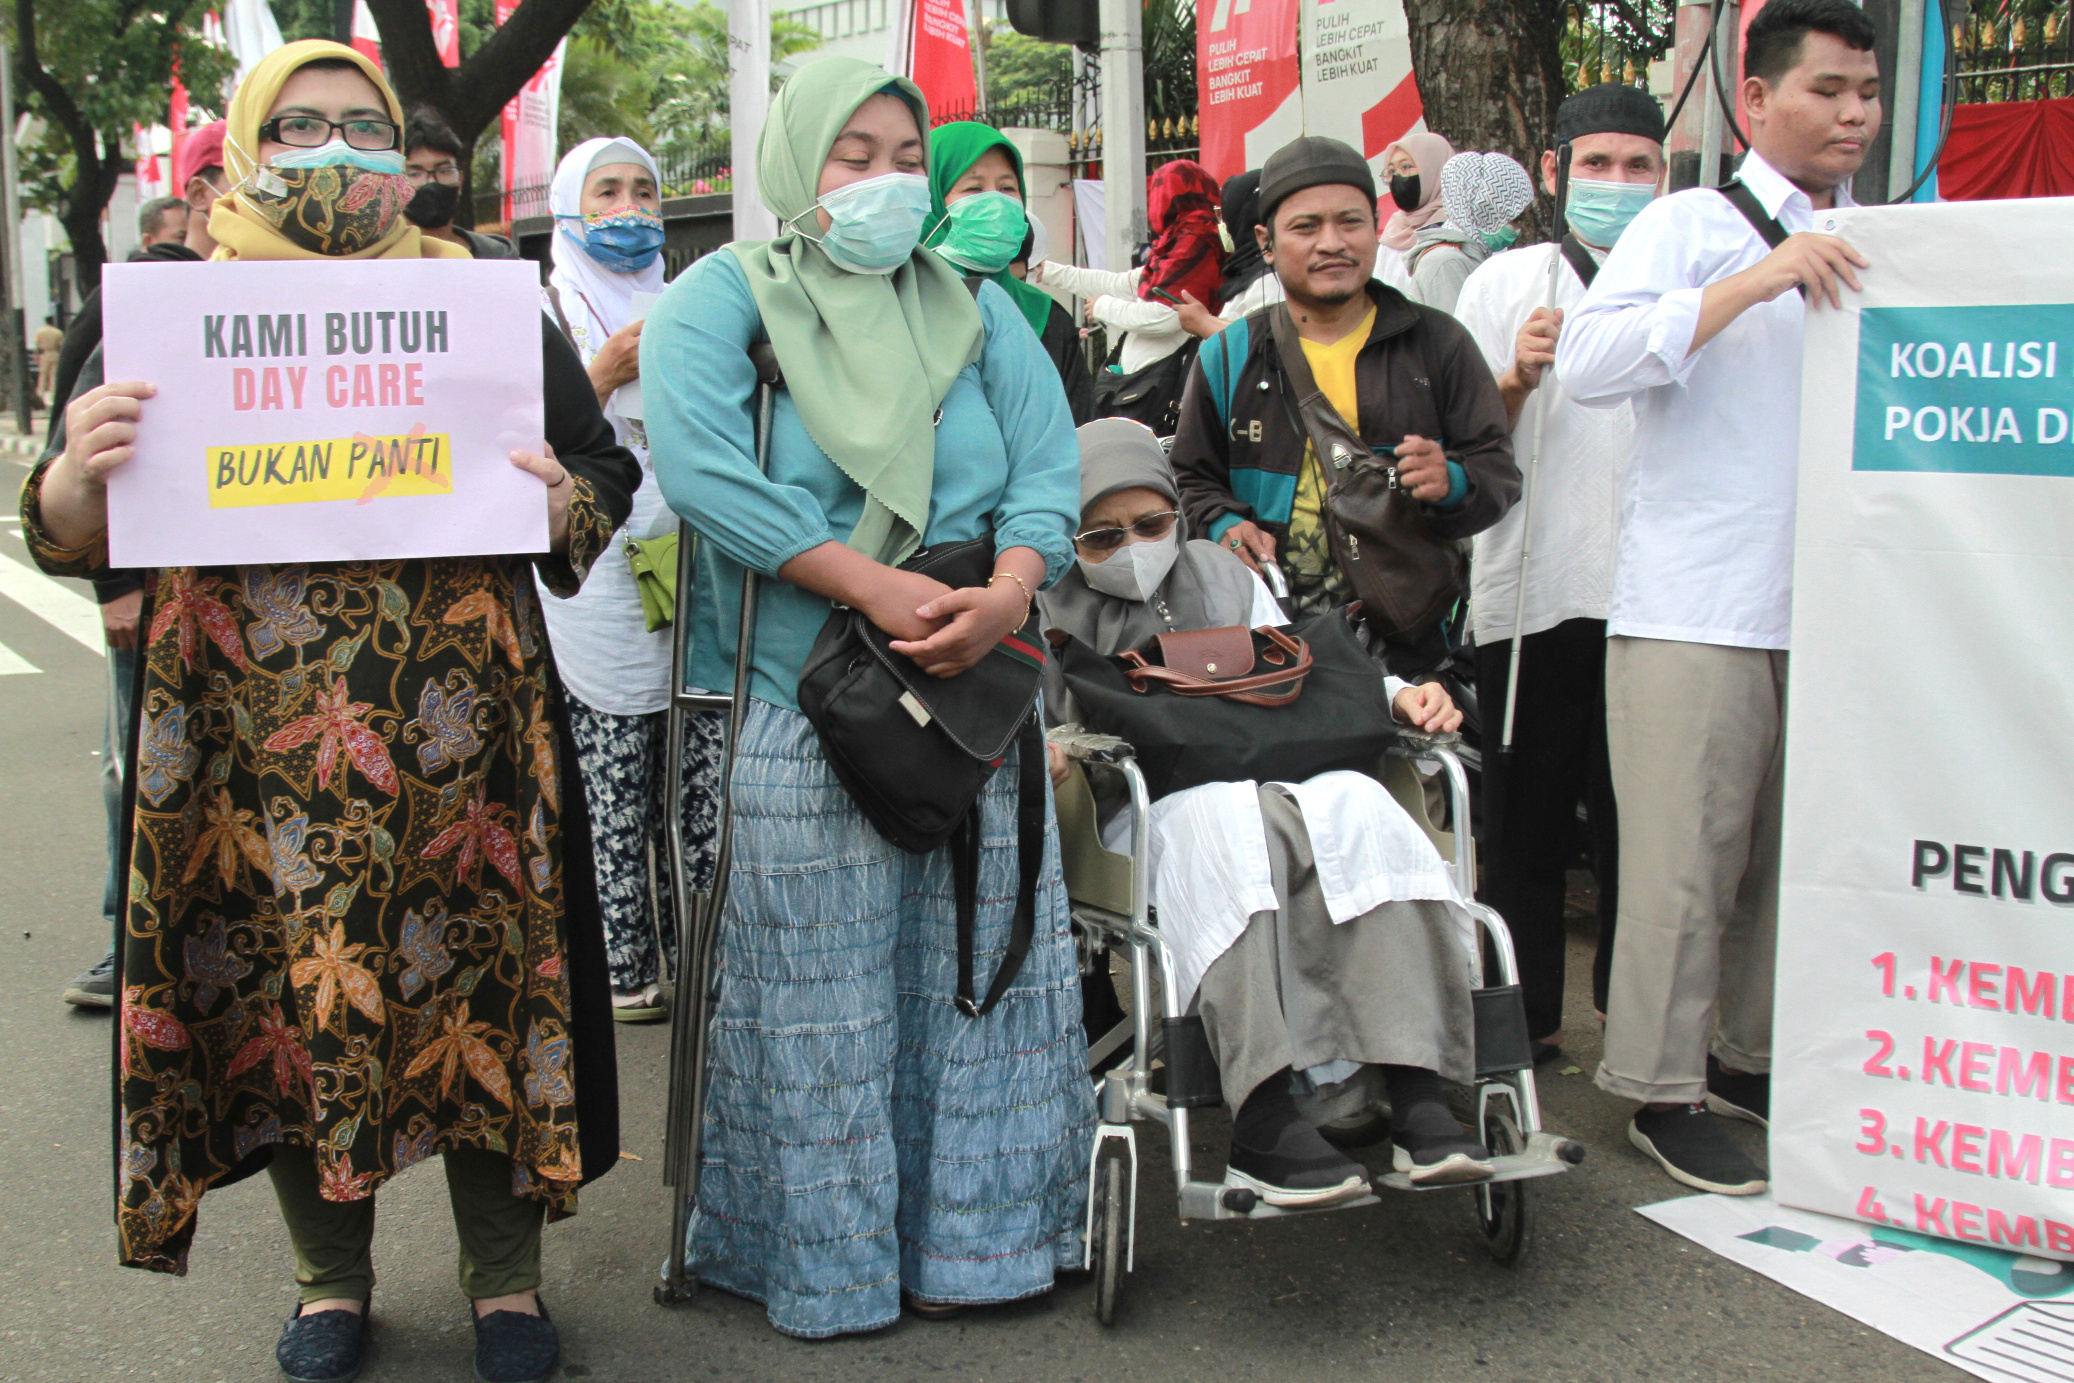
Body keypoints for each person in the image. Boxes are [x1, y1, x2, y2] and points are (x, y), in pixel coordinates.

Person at [22, 41, 639, 1383]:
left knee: (485, 985)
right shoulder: (163, 309)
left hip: (466, 736)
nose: (334, 151)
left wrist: (558, 503)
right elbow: (70, 525)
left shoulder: (476, 296)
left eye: (361, 126)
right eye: (297, 126)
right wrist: (76, 485)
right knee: (301, 998)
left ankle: (507, 1285)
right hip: (251, 750)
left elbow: (599, 468)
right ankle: (327, 1284)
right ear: (248, 144)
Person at [643, 56, 1090, 1339]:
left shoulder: (976, 308)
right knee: (817, 993)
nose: (889, 181)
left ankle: (979, 1249)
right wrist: (868, 589)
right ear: (795, 165)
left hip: (972, 693)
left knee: (973, 973)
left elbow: (1046, 468)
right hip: (805, 697)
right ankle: (827, 1266)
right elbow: (706, 475)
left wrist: (1009, 591)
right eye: (856, 155)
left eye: (907, 156)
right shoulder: (720, 301)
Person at [1559, 0, 1878, 1195]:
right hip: (1695, 605)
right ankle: (1658, 1084)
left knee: (1788, 858)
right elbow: (1591, 365)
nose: (1853, 113)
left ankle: (1742, 1056)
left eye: (1866, 92)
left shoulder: (1887, 237)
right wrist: (1754, 281)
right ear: (1755, 102)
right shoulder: (1691, 224)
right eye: (1827, 90)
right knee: (1687, 863)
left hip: (1832, 603)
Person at [1041, 418, 1494, 1200]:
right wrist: (1046, 745)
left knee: (1360, 807)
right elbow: (1036, 723)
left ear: (1177, 516)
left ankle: (1415, 1085)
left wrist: (1402, 694)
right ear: (1069, 538)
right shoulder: (1047, 601)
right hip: (1142, 801)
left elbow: (1299, 664)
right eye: (1102, 536)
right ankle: (1263, 1110)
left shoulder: (1221, 572)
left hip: (1276, 768)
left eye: (1151, 525)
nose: (1133, 547)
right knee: (1232, 828)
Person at [1452, 83, 1666, 1068]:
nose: (1617, 186)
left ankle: (1636, 1018)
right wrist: (1515, 379)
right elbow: (1454, 445)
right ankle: (1525, 1018)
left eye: (1638, 167)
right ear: (1553, 171)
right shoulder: (1505, 284)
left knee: (1639, 826)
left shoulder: (1687, 277)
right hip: (1533, 594)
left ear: (1665, 177)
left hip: (1658, 599)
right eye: (1597, 165)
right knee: (1525, 824)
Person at [1169, 134, 1518, 679]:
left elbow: (1497, 472)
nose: (1332, 242)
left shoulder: (1438, 344)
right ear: (1265, 241)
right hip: (1268, 646)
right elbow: (1190, 478)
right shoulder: (1228, 356)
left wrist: (1449, 480)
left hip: (1411, 644)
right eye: (1305, 227)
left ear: (1376, 230)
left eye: (1350, 222)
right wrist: (1224, 525)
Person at [537, 135, 711, 1023]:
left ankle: (700, 950)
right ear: (569, 207)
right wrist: (600, 376)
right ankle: (626, 962)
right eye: (606, 191)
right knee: (612, 777)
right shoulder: (546, 311)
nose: (630, 208)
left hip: (687, 555)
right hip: (600, 574)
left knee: (694, 779)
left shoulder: (686, 302)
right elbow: (528, 444)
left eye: (644, 190)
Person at [924, 120, 1097, 423]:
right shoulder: (899, 304)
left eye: (1007, 188)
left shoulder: (1045, 316)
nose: (997, 201)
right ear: (932, 199)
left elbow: (1079, 432)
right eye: (974, 188)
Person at [1034, 159, 1223, 374]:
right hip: (1153, 383)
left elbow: (1165, 316)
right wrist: (1048, 271)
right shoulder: (1177, 242)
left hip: (1169, 386)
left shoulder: (1197, 241)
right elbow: (1126, 283)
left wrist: (1104, 307)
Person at [1406, 150, 1535, 315]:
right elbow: (1459, 336)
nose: (1518, 228)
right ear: (1484, 209)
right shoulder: (1446, 263)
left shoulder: (1466, 255)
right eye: (1513, 218)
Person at [404, 110, 520, 258]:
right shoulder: (379, 258)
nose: (432, 182)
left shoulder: (497, 255)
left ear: (460, 180)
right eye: (415, 174)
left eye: (444, 171)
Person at [1377, 132, 1455, 295]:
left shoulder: (1461, 228)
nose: (1397, 177)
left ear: (1434, 169)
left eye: (1405, 167)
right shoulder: (1393, 233)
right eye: (1391, 171)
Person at [34, 314, 62, 404]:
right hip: (55, 354)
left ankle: (40, 394)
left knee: (43, 375)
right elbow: (61, 346)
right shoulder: (58, 332)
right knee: (53, 375)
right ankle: (52, 395)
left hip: (45, 354)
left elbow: (37, 345)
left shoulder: (40, 332)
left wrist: (36, 355)